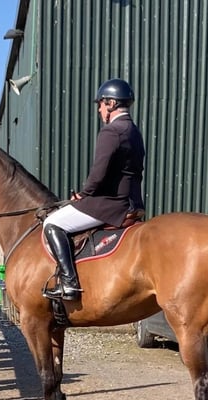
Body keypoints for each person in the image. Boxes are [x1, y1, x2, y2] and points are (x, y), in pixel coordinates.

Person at [42, 78, 145, 301]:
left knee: (52, 222)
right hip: (133, 202)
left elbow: (99, 173)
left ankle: (69, 283)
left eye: (100, 104)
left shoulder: (111, 131)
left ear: (111, 103)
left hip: (111, 204)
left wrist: (83, 194)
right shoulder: (133, 130)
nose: (99, 109)